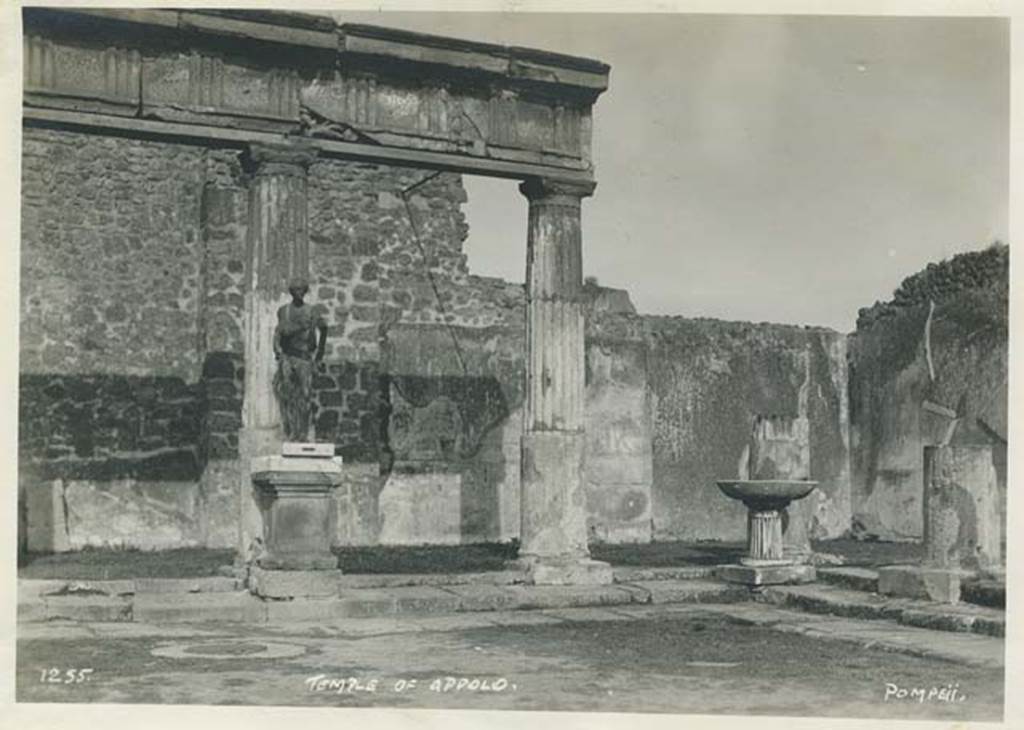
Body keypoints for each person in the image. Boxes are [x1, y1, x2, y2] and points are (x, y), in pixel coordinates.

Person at [272, 276, 327, 442]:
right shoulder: (284, 311)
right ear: (291, 292)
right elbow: (278, 333)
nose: (298, 293)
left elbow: (324, 329)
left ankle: (303, 433)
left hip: (304, 358)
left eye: (301, 290)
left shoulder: (311, 311)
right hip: (288, 357)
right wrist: (278, 350)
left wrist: (319, 354)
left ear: (305, 291)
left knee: (305, 395)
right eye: (295, 290)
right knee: (287, 395)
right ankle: (290, 432)